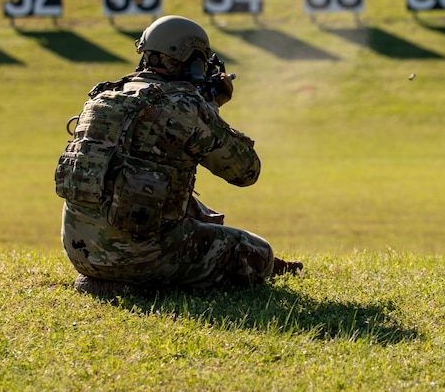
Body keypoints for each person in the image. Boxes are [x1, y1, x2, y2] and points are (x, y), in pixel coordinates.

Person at [55, 15, 301, 294]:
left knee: (191, 206)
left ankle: (108, 276)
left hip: (81, 253)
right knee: (259, 252)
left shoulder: (101, 98)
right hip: (142, 258)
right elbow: (245, 171)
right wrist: (210, 109)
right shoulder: (184, 105)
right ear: (193, 59)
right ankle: (140, 280)